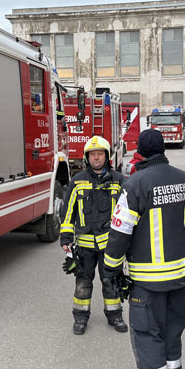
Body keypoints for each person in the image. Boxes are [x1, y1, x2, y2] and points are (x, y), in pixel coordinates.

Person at [104, 129, 185, 369]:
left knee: (147, 337)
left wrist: (110, 268)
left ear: (140, 154)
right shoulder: (184, 179)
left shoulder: (135, 183)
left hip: (147, 281)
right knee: (172, 334)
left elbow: (120, 233)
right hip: (177, 278)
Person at [60, 136, 128, 335]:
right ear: (86, 157)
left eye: (100, 154)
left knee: (111, 280)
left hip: (110, 244)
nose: (96, 158)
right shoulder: (77, 181)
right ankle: (80, 318)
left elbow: (127, 213)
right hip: (85, 246)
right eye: (92, 155)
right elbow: (67, 213)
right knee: (83, 282)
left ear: (107, 157)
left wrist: (127, 241)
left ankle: (115, 315)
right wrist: (65, 239)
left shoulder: (119, 181)